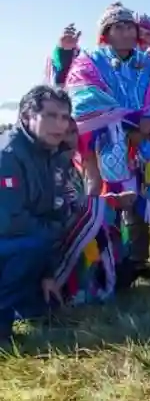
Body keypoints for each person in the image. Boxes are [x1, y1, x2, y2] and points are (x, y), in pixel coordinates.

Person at [67, 3, 150, 280]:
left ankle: (138, 260)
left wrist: (149, 121)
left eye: (130, 27)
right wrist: (125, 124)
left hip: (142, 143)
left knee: (140, 196)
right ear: (106, 33)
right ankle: (102, 259)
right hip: (101, 142)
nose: (126, 32)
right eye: (119, 27)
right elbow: (82, 97)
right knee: (103, 198)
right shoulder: (89, 60)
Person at [0, 86, 74, 341]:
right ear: (26, 116)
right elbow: (9, 221)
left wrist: (47, 272)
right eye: (50, 116)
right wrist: (51, 234)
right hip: (12, 240)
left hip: (29, 241)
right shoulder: (7, 155)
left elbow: (55, 211)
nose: (60, 124)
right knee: (33, 244)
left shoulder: (53, 155)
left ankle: (28, 302)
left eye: (65, 117)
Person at [48, 116, 127, 306]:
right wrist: (107, 202)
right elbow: (62, 206)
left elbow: (91, 188)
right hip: (56, 229)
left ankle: (98, 281)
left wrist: (102, 202)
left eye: (73, 132)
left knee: (106, 220)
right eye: (64, 133)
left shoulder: (72, 161)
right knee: (98, 221)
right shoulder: (53, 164)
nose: (70, 138)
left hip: (73, 221)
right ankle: (81, 288)